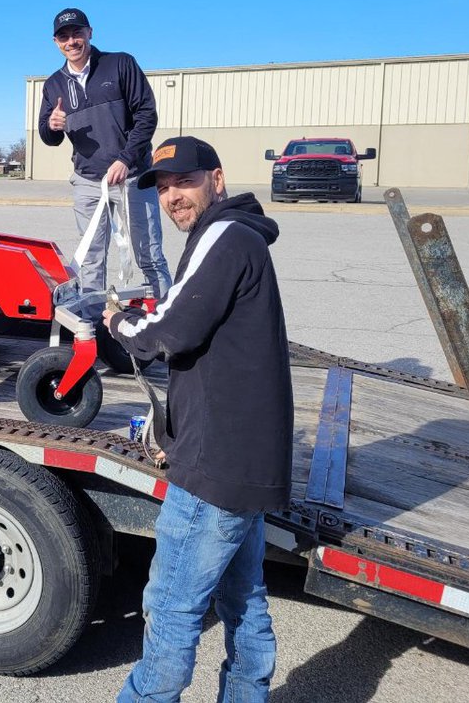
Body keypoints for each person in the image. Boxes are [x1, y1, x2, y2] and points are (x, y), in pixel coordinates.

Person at [103, 136, 293, 703]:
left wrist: (118, 324)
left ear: (216, 178)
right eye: (161, 189)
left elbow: (172, 330)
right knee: (244, 598)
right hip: (241, 460)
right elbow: (205, 342)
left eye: (182, 182)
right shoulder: (237, 236)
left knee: (170, 606)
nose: (171, 197)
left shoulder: (224, 234)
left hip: (216, 469)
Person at [38, 8, 171, 296]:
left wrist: (126, 158)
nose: (71, 42)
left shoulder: (120, 64)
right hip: (88, 183)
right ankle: (94, 326)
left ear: (90, 33)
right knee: (91, 260)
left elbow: (147, 114)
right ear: (55, 42)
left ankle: (167, 322)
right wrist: (52, 125)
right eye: (64, 37)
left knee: (150, 254)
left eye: (77, 33)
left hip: (133, 178)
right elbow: (49, 138)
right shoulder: (53, 84)